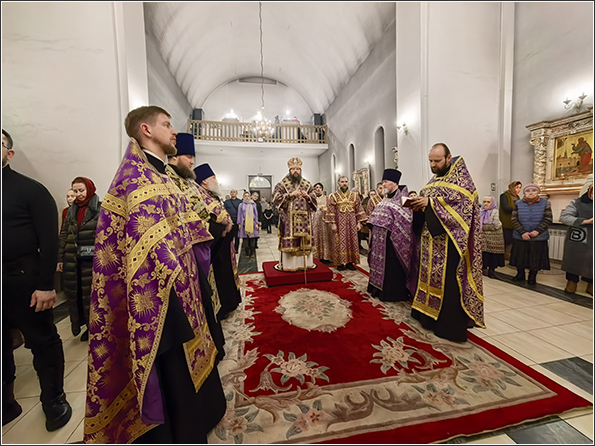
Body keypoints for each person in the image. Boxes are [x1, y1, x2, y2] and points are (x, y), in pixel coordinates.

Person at [84, 106, 225, 443]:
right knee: (170, 365)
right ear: (146, 130)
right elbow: (141, 239)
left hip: (184, 282)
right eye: (167, 124)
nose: (173, 131)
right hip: (157, 291)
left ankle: (201, 414)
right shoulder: (134, 177)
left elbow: (188, 224)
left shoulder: (162, 175)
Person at [2, 129, 72, 431]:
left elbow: (49, 241)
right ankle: (5, 402)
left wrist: (46, 286)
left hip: (23, 279)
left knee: (42, 342)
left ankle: (53, 399)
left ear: (9, 153)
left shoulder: (30, 190)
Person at [408, 143, 485, 343]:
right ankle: (426, 316)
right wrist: (418, 205)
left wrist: (430, 203)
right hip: (429, 243)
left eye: (437, 161)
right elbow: (428, 206)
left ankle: (447, 325)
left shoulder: (462, 182)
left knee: (449, 283)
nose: (433, 165)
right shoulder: (434, 181)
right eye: (430, 161)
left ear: (448, 158)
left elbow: (463, 208)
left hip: (451, 244)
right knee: (428, 278)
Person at [165, 134, 226, 362]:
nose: (192, 162)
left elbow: (204, 209)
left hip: (202, 248)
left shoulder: (187, 181)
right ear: (175, 156)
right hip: (185, 253)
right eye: (189, 156)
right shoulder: (167, 180)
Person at [194, 162, 242, 319]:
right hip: (215, 245)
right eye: (214, 177)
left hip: (224, 243)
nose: (217, 181)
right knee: (219, 275)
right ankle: (223, 307)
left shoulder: (211, 195)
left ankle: (231, 302)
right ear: (205, 181)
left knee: (226, 272)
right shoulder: (199, 196)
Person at [57, 177, 101, 342]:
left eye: (81, 190)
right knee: (77, 296)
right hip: (74, 260)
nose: (78, 194)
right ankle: (85, 326)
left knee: (92, 296)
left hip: (92, 260)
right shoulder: (71, 210)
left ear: (89, 189)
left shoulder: (99, 209)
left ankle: (95, 328)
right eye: (75, 191)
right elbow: (64, 234)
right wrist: (60, 258)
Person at [367, 169, 418, 301]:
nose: (383, 184)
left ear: (394, 183)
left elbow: (407, 220)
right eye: (383, 182)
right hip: (379, 240)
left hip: (392, 243)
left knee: (391, 266)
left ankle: (392, 293)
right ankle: (376, 288)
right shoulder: (383, 200)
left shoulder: (404, 200)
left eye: (385, 182)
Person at [272, 157, 317, 271]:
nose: (295, 171)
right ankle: (290, 265)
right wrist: (290, 195)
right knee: (291, 241)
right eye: (293, 169)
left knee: (304, 241)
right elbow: (275, 198)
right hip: (289, 220)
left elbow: (314, 198)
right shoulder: (282, 184)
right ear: (289, 170)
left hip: (305, 221)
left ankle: (305, 264)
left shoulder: (307, 184)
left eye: (298, 169)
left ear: (300, 170)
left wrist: (308, 197)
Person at [509, 184, 552, 285]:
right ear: (524, 193)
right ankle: (520, 274)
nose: (531, 193)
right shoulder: (518, 203)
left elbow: (548, 218)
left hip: (538, 237)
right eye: (528, 191)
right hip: (520, 236)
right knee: (520, 257)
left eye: (534, 190)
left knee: (535, 258)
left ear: (538, 192)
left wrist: (537, 231)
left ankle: (532, 276)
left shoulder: (545, 203)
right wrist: (522, 232)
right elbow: (514, 219)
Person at [325, 175, 367, 271]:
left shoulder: (354, 196)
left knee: (352, 241)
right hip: (339, 223)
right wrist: (333, 223)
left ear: (348, 183)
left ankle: (350, 262)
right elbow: (331, 210)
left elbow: (359, 209)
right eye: (342, 182)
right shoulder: (334, 196)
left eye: (346, 182)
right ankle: (340, 263)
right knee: (339, 242)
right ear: (338, 183)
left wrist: (359, 223)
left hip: (352, 222)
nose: (344, 183)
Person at [560, 175, 593, 295]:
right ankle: (571, 283)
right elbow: (564, 217)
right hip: (579, 238)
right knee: (574, 260)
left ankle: (591, 285)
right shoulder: (577, 203)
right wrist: (585, 221)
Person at [480, 195, 505, 279]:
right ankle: (482, 270)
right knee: (484, 255)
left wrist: (483, 227)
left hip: (494, 238)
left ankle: (491, 272)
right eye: (484, 202)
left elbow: (496, 225)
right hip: (483, 238)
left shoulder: (495, 211)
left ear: (492, 203)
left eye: (488, 202)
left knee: (493, 256)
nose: (486, 203)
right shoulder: (480, 211)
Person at [311, 182, 334, 264]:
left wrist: (325, 209)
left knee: (325, 238)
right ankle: (316, 257)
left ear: (322, 189)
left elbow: (331, 208)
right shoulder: (311, 199)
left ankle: (326, 257)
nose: (318, 189)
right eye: (316, 187)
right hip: (314, 221)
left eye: (320, 187)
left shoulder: (327, 198)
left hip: (325, 222)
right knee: (315, 237)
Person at [499, 181, 522, 260]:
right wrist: (519, 208)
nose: (518, 189)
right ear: (512, 187)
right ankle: (503, 257)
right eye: (516, 187)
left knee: (513, 240)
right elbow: (506, 208)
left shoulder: (518, 197)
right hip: (506, 222)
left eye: (520, 188)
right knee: (506, 240)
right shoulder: (504, 196)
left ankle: (510, 256)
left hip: (515, 222)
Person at [238, 191, 260, 258]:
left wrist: (256, 223)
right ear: (243, 197)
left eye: (248, 196)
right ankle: (247, 253)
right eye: (245, 196)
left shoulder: (253, 204)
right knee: (245, 239)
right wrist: (239, 223)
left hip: (252, 223)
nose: (247, 197)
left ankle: (252, 252)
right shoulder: (241, 205)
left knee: (252, 238)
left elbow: (256, 214)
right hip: (244, 223)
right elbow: (239, 215)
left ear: (250, 196)